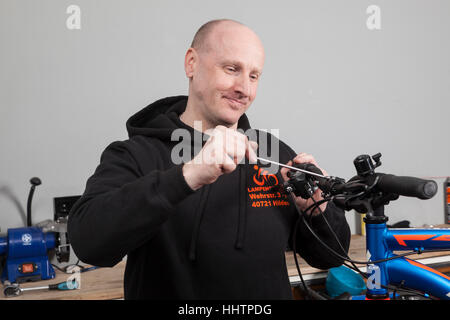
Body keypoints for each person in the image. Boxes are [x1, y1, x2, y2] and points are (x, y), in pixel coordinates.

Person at [68, 19, 350, 300]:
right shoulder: (136, 154)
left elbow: (331, 257)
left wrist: (318, 211)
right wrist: (187, 176)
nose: (244, 88)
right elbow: (89, 244)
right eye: (231, 69)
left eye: (254, 76)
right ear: (191, 63)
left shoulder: (270, 153)